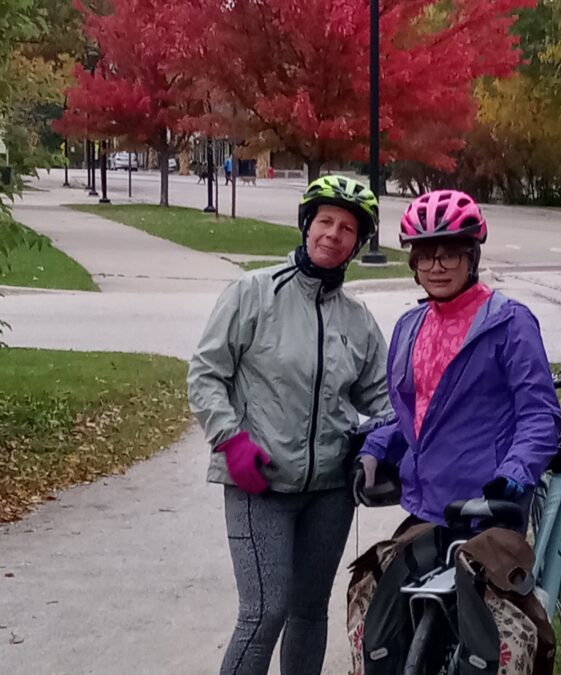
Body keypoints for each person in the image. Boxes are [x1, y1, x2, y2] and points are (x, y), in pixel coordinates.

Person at [188, 175, 390, 675]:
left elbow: (386, 398)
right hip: (260, 484)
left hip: (329, 491)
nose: (333, 234)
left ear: (357, 243)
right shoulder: (254, 293)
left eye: (347, 228)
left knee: (308, 611)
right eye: (325, 221)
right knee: (263, 613)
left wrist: (378, 447)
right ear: (306, 224)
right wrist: (230, 440)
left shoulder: (357, 319)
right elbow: (206, 374)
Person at [356, 189, 561, 529]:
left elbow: (539, 414)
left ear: (471, 259)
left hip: (487, 506)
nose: (436, 268)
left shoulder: (509, 323)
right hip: (426, 504)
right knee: (378, 581)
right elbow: (418, 417)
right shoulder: (411, 326)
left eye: (449, 255)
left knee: (484, 584)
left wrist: (514, 471)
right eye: (425, 257)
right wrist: (375, 448)